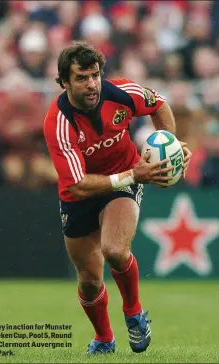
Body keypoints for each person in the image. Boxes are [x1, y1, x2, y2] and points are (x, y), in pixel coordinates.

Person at [43, 41, 191, 355]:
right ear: (65, 83)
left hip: (125, 178)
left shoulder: (123, 92)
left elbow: (159, 104)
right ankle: (104, 339)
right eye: (81, 78)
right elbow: (79, 185)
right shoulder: (58, 122)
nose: (92, 83)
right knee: (89, 280)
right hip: (80, 195)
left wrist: (171, 144)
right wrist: (133, 175)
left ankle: (134, 313)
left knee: (113, 249)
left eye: (95, 75)